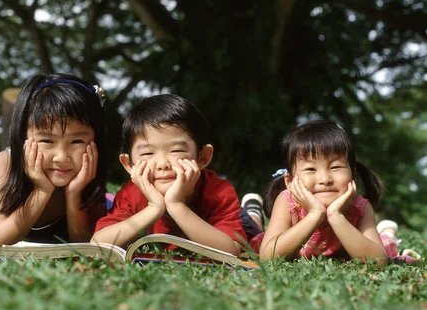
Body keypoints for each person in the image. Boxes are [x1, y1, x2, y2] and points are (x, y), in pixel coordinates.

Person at [92, 94, 247, 255]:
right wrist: (153, 208)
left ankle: (252, 211)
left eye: (177, 150)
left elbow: (231, 250)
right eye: (147, 153)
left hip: (239, 218)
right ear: (129, 164)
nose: (162, 164)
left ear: (203, 156)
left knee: (252, 230)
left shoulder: (218, 192)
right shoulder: (131, 195)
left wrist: (176, 205)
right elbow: (97, 244)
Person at [0, 73, 110, 247]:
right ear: (23, 137)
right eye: (46, 141)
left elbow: (86, 244)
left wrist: (74, 194)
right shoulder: (6, 163)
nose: (61, 157)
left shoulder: (90, 168)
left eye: (77, 141)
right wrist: (41, 191)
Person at [257, 120, 387, 263]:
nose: (325, 179)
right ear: (289, 181)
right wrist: (315, 214)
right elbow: (268, 257)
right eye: (310, 169)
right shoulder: (287, 202)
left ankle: (388, 232)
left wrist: (336, 216)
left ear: (353, 175)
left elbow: (379, 261)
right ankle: (253, 213)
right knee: (254, 238)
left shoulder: (360, 206)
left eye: (336, 167)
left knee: (387, 245)